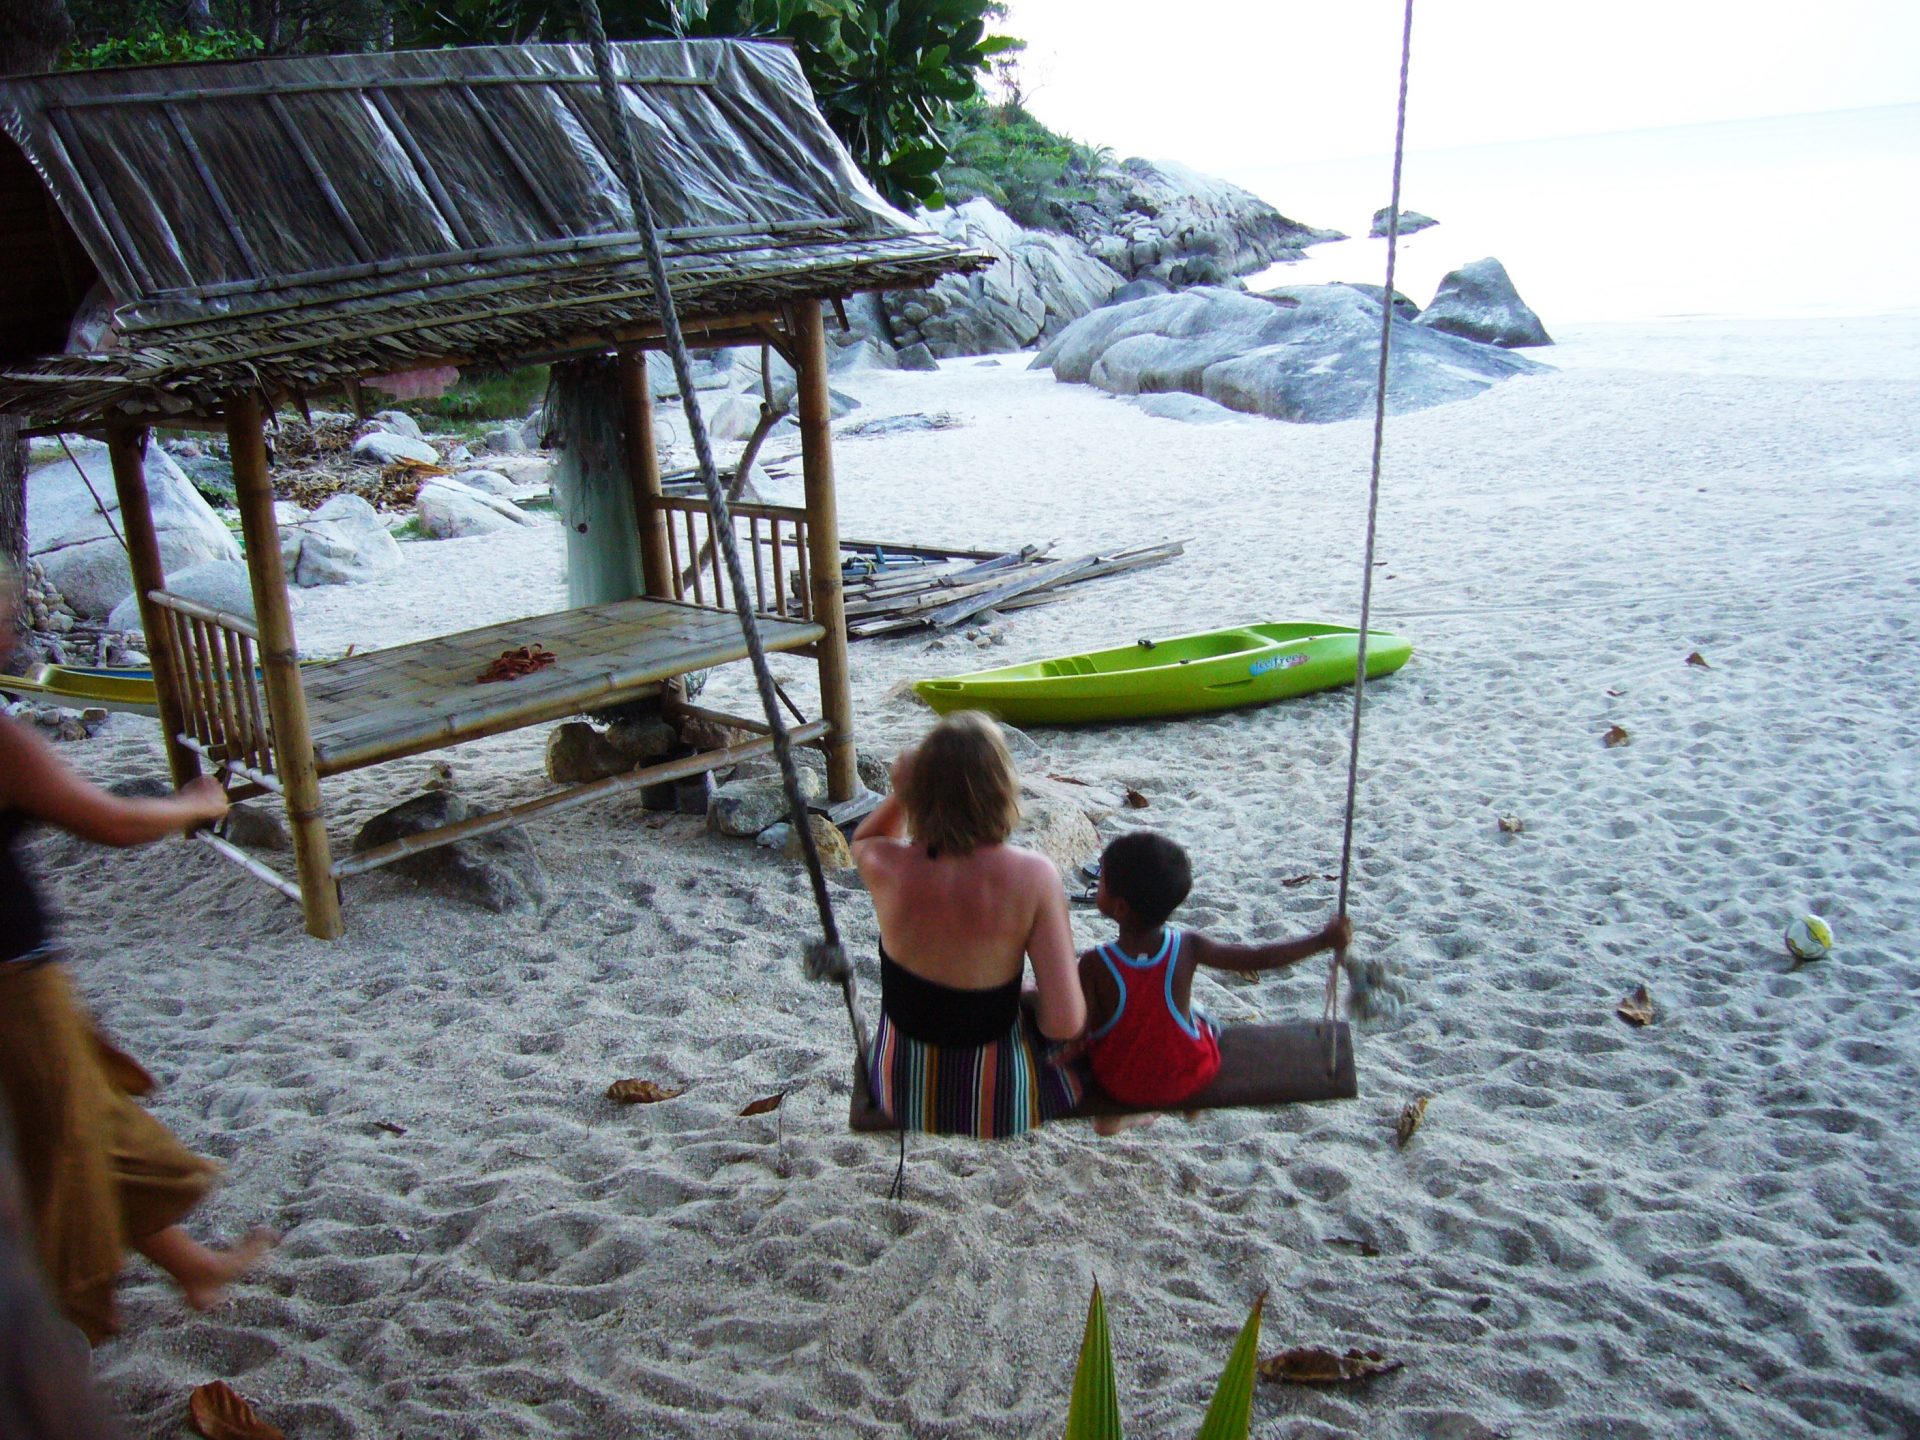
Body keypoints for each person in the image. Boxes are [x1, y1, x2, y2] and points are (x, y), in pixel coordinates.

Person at [0, 557, 274, 1345]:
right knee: (64, 1142)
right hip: (10, 977)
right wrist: (192, 803)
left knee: (90, 1117)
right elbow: (109, 823)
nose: (16, 624)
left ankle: (193, 1267)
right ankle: (53, 1342)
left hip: (20, 969)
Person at [850, 711, 1088, 1137]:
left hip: (900, 1087)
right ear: (1003, 790)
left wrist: (901, 796)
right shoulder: (1033, 876)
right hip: (997, 1099)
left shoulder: (887, 866)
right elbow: (1063, 1024)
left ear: (919, 792)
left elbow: (865, 840)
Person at [1079, 830, 1350, 1134]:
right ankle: (1186, 1100)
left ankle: (1118, 1116)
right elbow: (1258, 957)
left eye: (1101, 882)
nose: (1097, 884)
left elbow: (1080, 1028)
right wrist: (1322, 941)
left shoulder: (1095, 963)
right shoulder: (1187, 946)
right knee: (1198, 1018)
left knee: (1120, 1032)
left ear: (1119, 908)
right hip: (1188, 1075)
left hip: (1121, 1084)